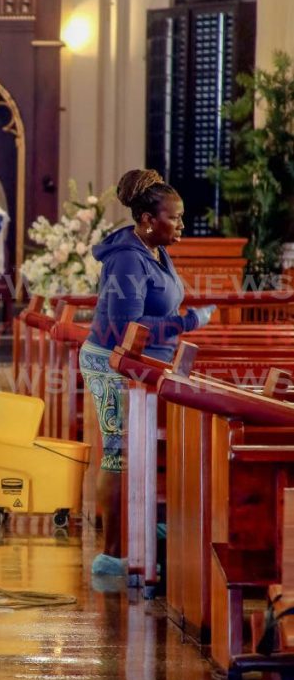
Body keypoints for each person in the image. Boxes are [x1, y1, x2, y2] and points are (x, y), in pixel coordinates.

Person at [80, 169, 215, 576]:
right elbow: (127, 329)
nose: (180, 224)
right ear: (146, 220)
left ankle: (141, 532)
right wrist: (186, 324)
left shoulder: (154, 249)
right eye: (174, 217)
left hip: (147, 367)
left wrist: (177, 327)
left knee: (142, 449)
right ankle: (113, 553)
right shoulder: (126, 259)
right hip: (112, 364)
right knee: (119, 452)